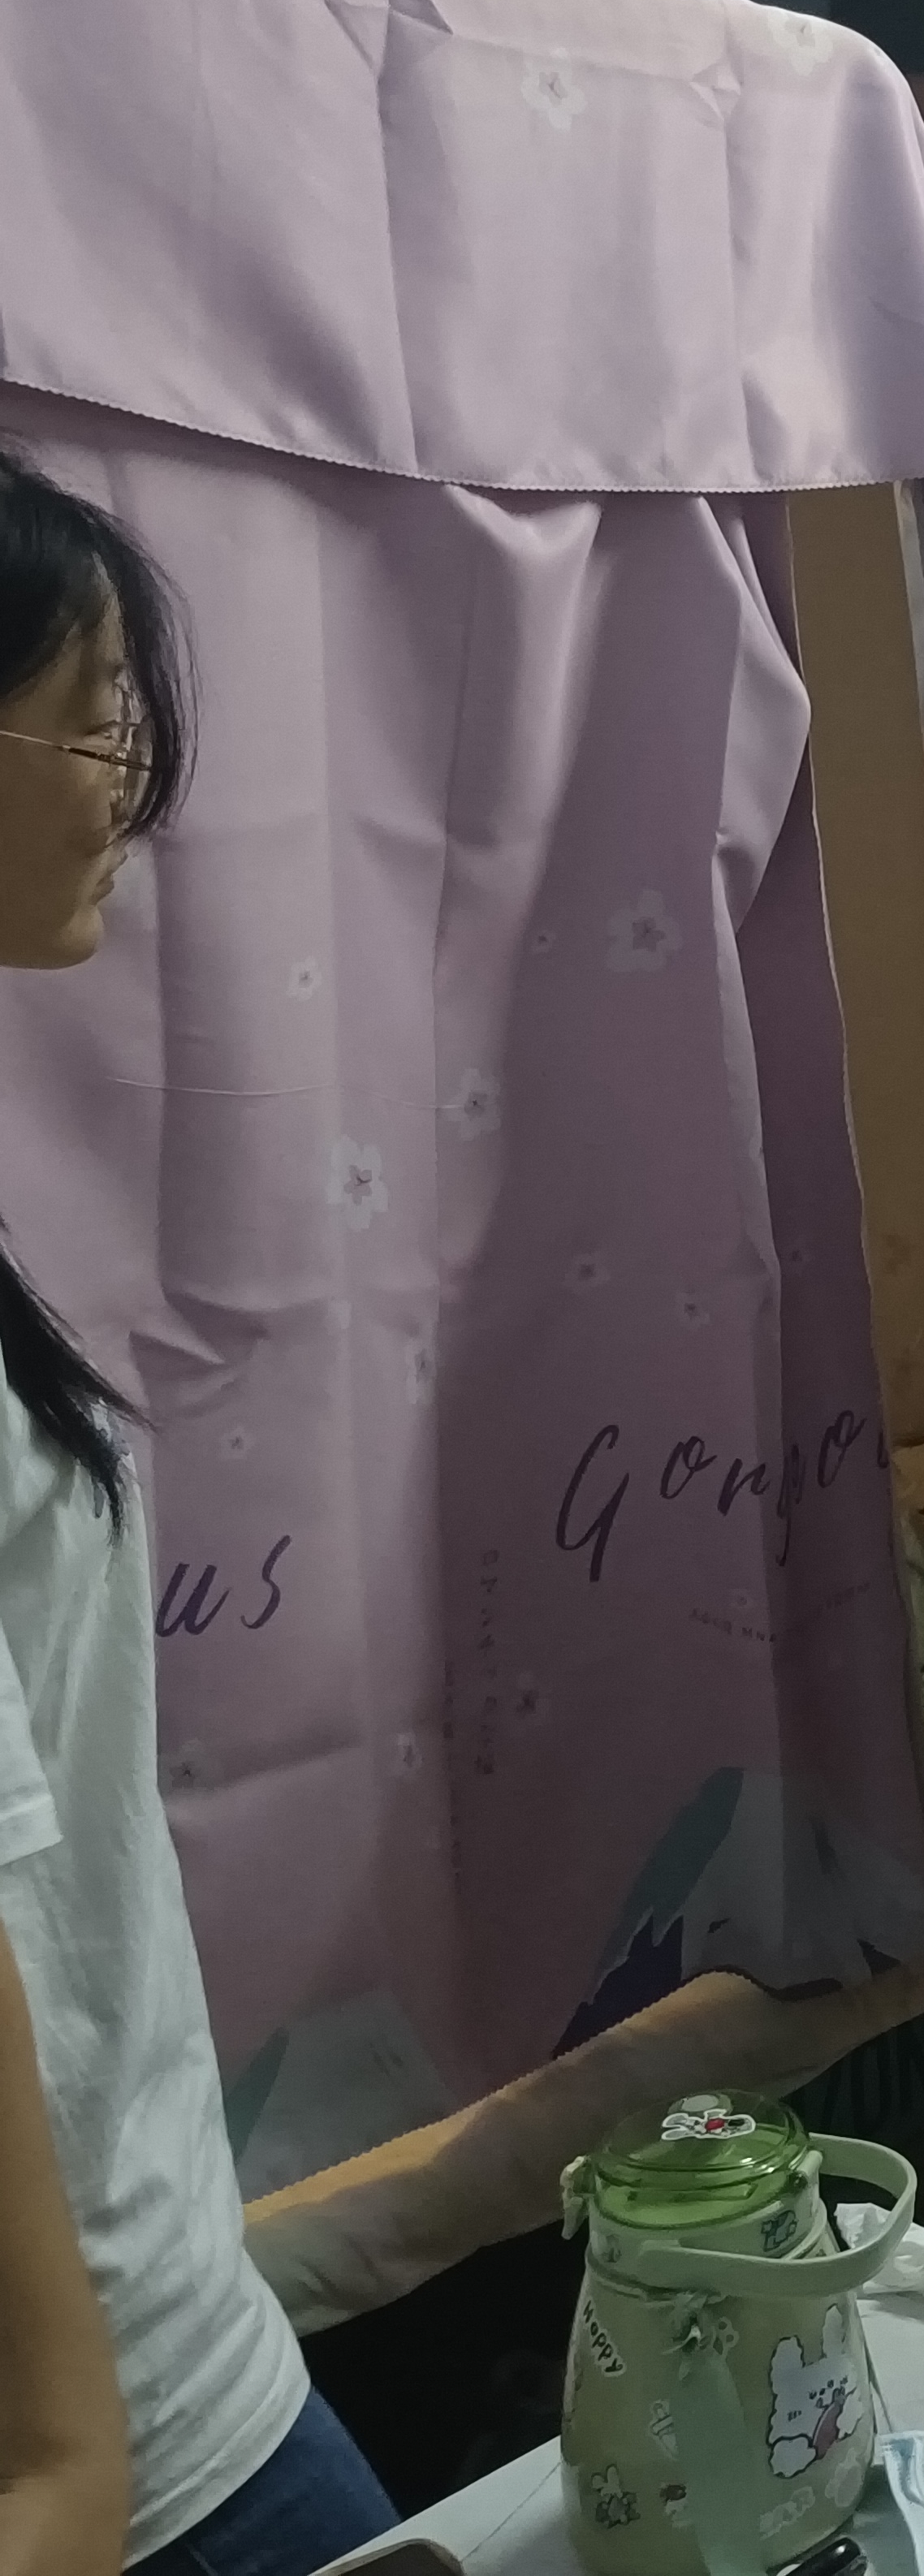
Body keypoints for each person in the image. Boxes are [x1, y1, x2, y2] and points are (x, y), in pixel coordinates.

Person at [0, 456, 395, 2576]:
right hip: (124, 2419)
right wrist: (64, 2467)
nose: (130, 785)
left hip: (148, 2330)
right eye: (88, 717)